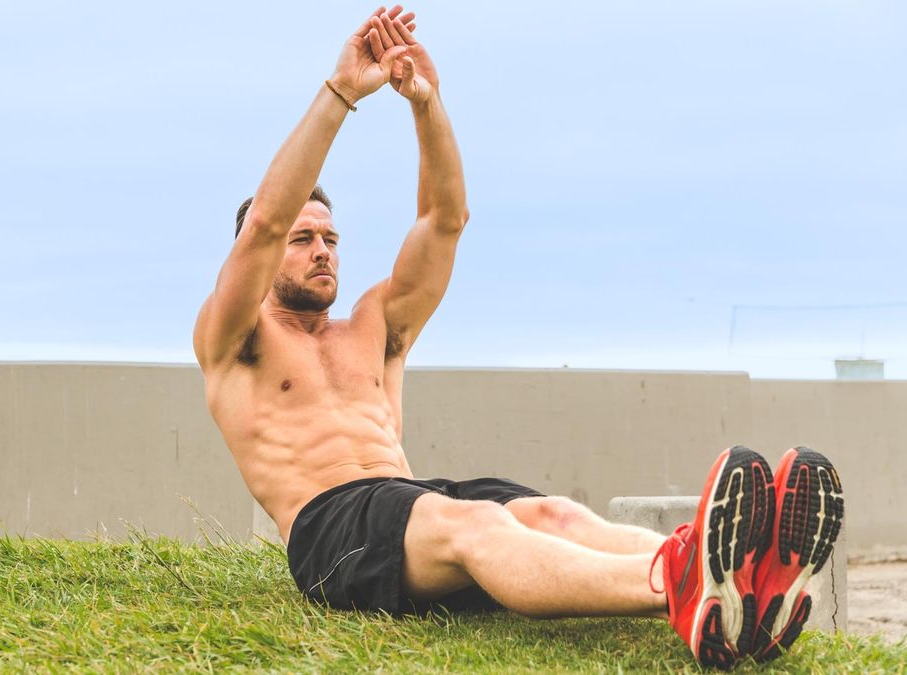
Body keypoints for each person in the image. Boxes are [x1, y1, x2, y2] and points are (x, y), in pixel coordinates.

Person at [191, 7, 844, 670]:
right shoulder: (236, 335)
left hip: (410, 500)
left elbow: (445, 221)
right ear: (262, 257)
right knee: (475, 524)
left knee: (554, 513)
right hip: (334, 532)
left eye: (331, 238)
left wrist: (426, 102)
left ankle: (739, 586)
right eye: (304, 240)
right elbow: (268, 219)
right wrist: (339, 93)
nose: (322, 250)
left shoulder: (373, 324)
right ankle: (684, 583)